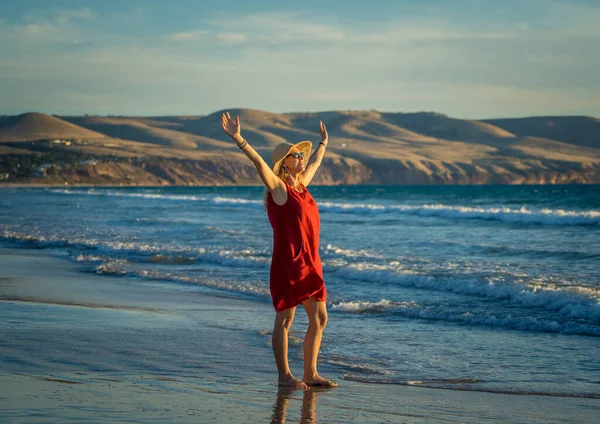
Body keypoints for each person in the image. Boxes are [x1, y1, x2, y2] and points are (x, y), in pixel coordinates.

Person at [221, 111, 337, 389]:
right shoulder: (279, 189)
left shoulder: (303, 186)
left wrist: (324, 143)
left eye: (300, 155)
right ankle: (285, 376)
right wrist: (239, 139)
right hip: (289, 263)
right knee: (285, 319)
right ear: (283, 163)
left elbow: (317, 162)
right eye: (295, 156)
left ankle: (311, 374)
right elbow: (259, 162)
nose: (301, 159)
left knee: (320, 318)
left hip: (311, 262)